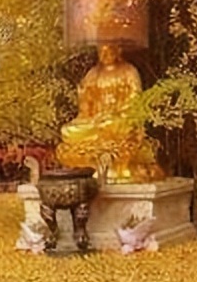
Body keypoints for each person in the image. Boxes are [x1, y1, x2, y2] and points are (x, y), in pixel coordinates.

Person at [58, 43, 162, 183]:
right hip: (95, 121)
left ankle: (119, 167)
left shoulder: (128, 71)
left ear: (118, 51)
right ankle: (89, 164)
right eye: (102, 52)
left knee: (112, 124)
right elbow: (86, 107)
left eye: (109, 51)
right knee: (68, 130)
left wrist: (117, 113)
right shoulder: (93, 74)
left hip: (118, 121)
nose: (105, 55)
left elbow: (135, 101)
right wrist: (83, 97)